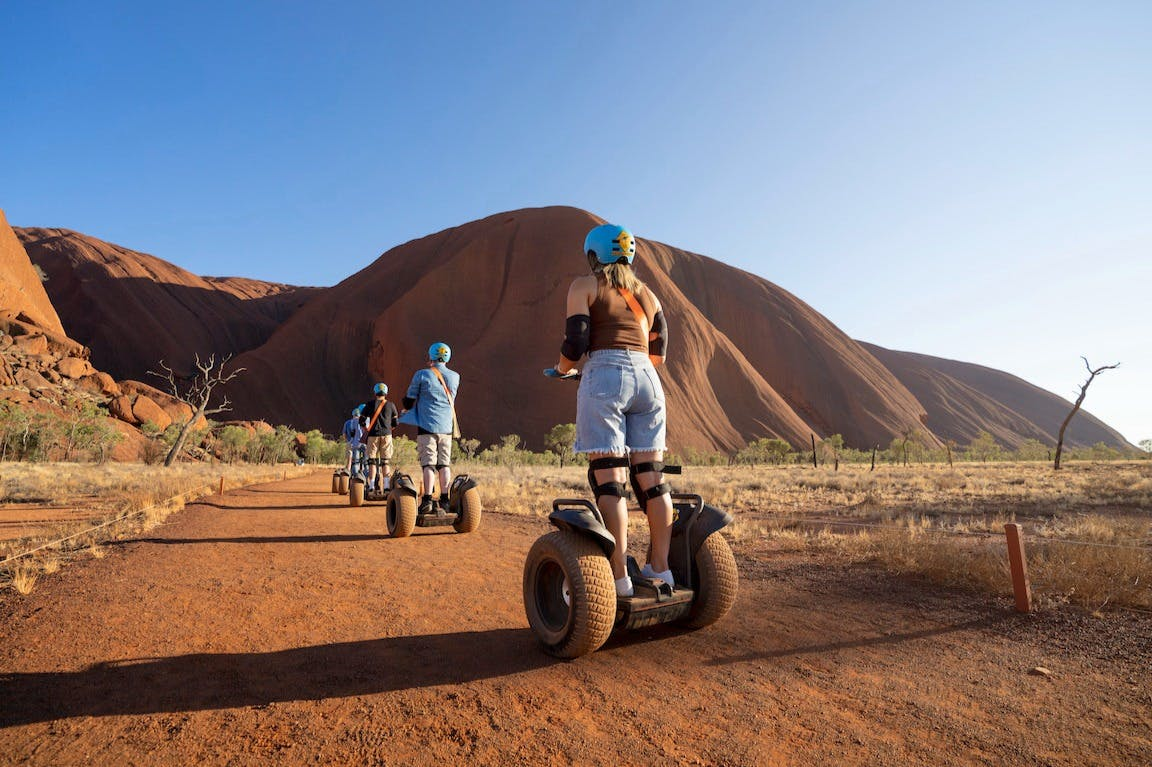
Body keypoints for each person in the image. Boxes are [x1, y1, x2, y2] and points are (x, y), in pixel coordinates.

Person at [548, 223, 673, 598]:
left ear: (592, 256)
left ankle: (619, 577)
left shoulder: (584, 286)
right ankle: (661, 569)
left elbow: (577, 341)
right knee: (652, 478)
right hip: (649, 381)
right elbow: (659, 354)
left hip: (606, 374)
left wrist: (562, 370)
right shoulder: (648, 295)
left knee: (610, 479)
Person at [398, 342, 460, 514]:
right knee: (444, 464)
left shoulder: (422, 375)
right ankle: (445, 501)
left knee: (429, 465)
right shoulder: (455, 376)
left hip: (427, 426)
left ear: (431, 355)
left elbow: (409, 400)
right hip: (447, 427)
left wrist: (405, 409)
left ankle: (427, 501)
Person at [358, 383, 399, 492]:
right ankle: (386, 487)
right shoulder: (391, 405)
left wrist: (365, 429)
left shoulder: (370, 404)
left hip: (372, 435)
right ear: (386, 392)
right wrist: (390, 429)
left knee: (372, 462)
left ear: (375, 392)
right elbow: (395, 423)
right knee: (385, 462)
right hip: (386, 435)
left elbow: (361, 420)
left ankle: (371, 487)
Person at [341, 406, 364, 474]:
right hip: (363, 444)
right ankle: (364, 474)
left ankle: (351, 472)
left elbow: (344, 435)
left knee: (353, 460)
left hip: (352, 444)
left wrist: (347, 441)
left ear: (353, 415)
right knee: (365, 461)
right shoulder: (363, 423)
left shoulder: (348, 423)